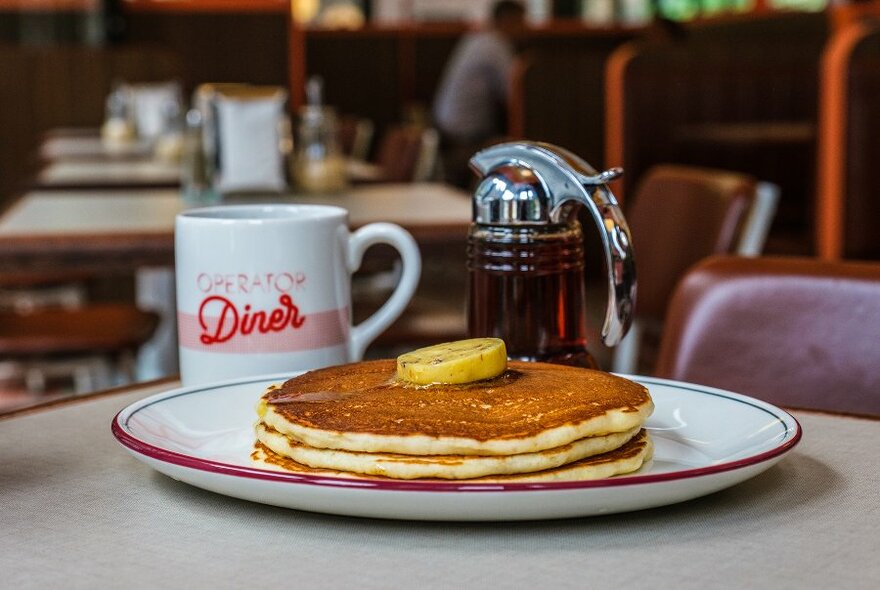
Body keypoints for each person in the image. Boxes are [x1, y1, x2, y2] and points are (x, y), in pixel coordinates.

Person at [432, 0, 527, 187]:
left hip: (445, 132)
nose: (525, 29)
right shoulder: (495, 46)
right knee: (521, 149)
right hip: (464, 141)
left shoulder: (476, 38)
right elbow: (513, 95)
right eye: (521, 22)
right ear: (508, 20)